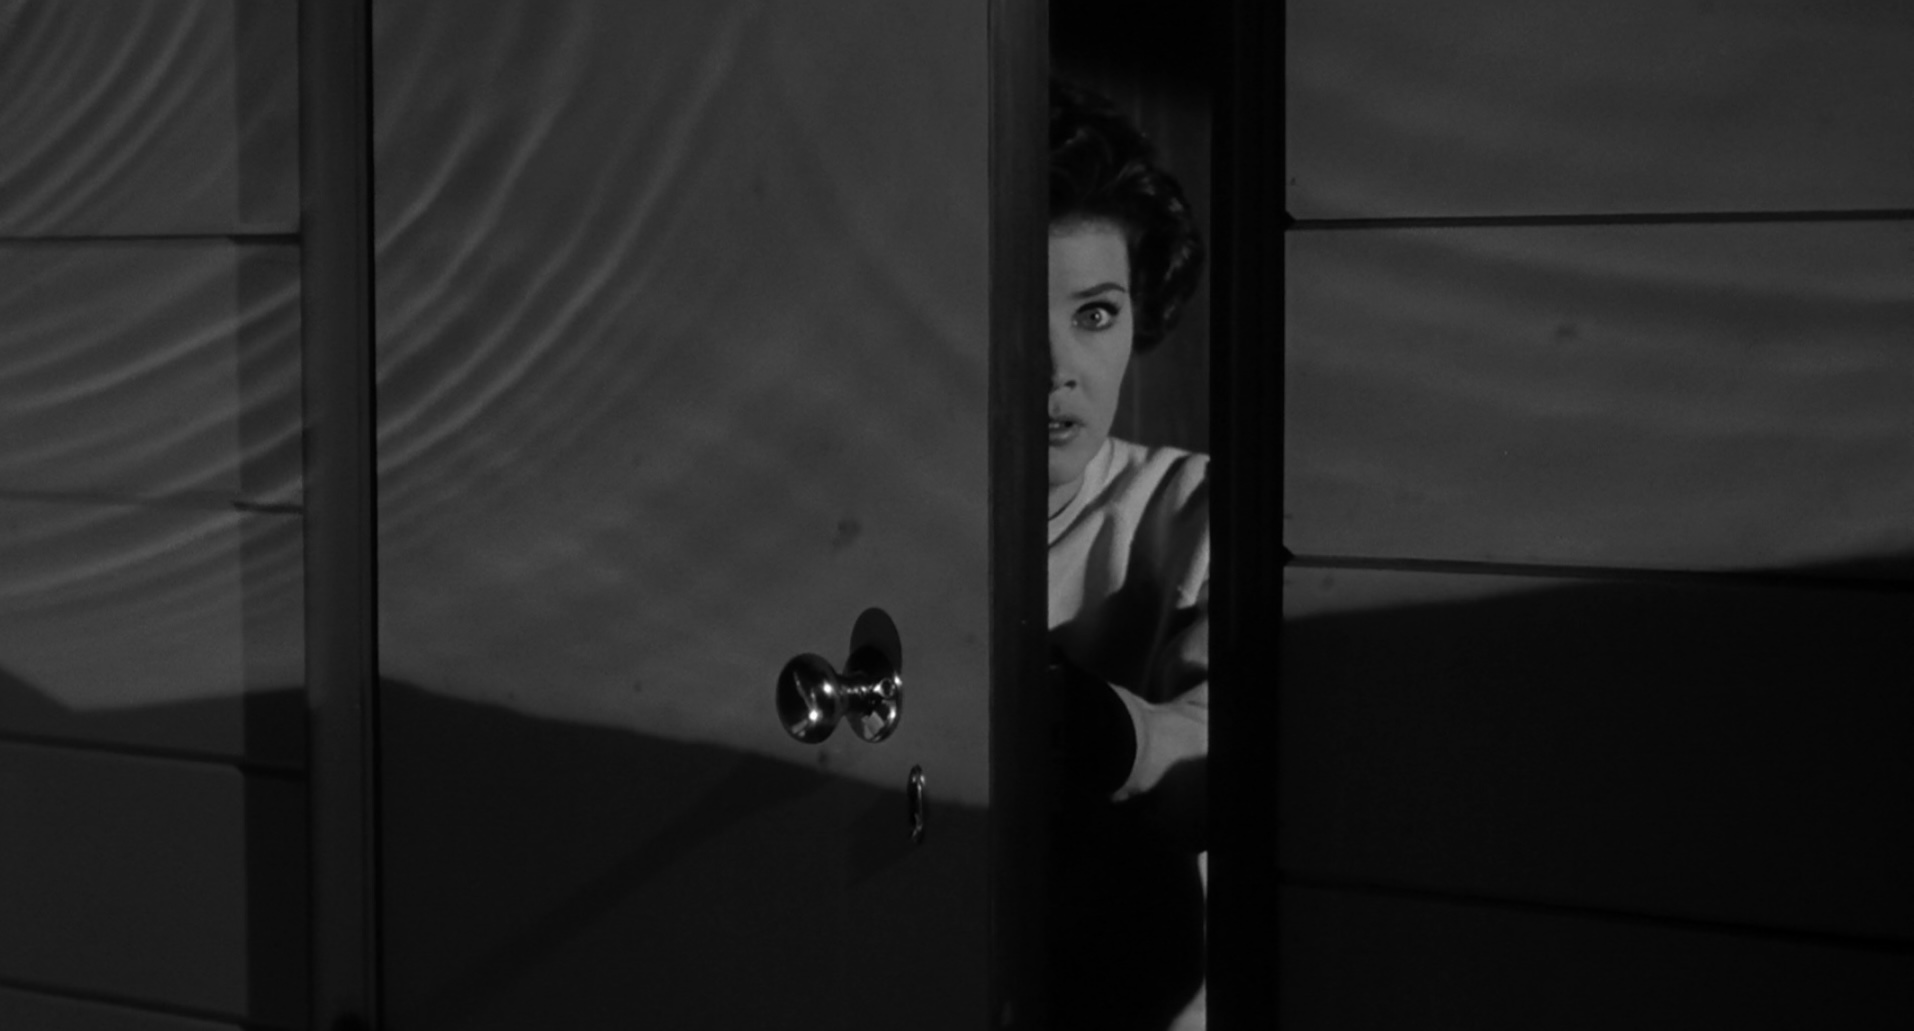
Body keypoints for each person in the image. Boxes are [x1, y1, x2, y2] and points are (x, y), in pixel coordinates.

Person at [1046, 78, 1209, 1031]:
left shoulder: (1191, 512)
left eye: (1095, 313)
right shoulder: (875, 522)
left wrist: (1100, 729)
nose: (1055, 366)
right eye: (1012, 309)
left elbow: (1231, 758)